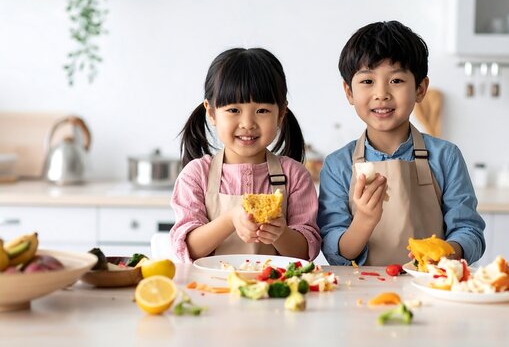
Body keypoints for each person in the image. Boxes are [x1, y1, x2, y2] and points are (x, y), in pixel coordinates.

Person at [318, 21, 485, 266]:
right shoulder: (337, 165)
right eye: (367, 81)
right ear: (349, 92)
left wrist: (445, 251)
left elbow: (470, 232)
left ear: (420, 89)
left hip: (431, 287)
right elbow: (335, 251)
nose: (381, 93)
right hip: (360, 293)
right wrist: (364, 219)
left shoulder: (445, 156)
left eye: (396, 81)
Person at [170, 48, 321, 263]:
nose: (248, 124)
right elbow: (188, 249)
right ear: (211, 112)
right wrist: (231, 218)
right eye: (233, 110)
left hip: (274, 292)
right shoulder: (196, 174)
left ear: (281, 113)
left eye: (262, 111)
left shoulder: (294, 175)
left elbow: (305, 253)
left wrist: (281, 234)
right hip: (211, 291)